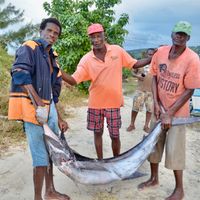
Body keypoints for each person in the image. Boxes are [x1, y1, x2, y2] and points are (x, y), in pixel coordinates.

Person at [61, 23, 153, 160]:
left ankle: (116, 161)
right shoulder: (86, 59)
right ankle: (100, 161)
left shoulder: (117, 51)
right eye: (93, 37)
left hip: (113, 103)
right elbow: (74, 80)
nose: (96, 40)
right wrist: (57, 69)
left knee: (115, 135)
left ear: (104, 35)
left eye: (99, 36)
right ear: (89, 39)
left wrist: (153, 58)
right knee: (97, 133)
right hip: (95, 104)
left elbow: (134, 63)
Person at [8, 18, 70, 200]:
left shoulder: (52, 57)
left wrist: (58, 118)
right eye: (49, 31)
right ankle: (38, 197)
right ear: (41, 30)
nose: (52, 35)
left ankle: (50, 191)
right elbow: (19, 73)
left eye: (56, 33)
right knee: (40, 156)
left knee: (52, 152)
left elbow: (53, 93)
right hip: (32, 110)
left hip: (48, 110)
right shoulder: (30, 47)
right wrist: (38, 105)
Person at [138, 21, 200, 200]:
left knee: (175, 151)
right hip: (159, 110)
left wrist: (170, 113)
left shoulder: (193, 59)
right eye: (177, 33)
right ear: (172, 34)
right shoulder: (161, 52)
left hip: (177, 115)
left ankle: (179, 189)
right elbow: (155, 78)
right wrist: (156, 104)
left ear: (188, 38)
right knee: (153, 147)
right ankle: (153, 179)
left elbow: (190, 90)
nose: (179, 37)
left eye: (183, 34)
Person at [126, 48, 155, 133]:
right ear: (146, 54)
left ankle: (146, 126)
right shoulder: (141, 63)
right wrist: (137, 76)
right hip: (140, 90)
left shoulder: (156, 65)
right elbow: (132, 72)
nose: (151, 56)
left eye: (152, 54)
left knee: (150, 110)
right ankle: (132, 124)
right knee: (135, 108)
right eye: (149, 54)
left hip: (151, 92)